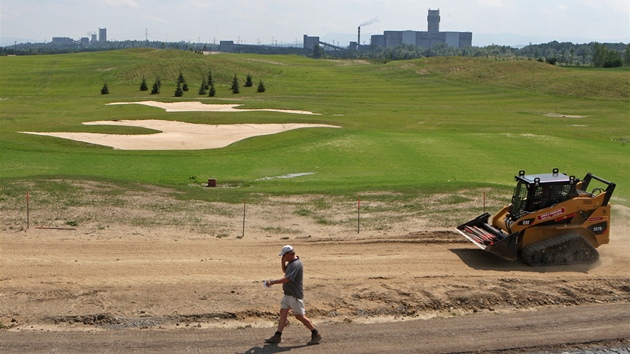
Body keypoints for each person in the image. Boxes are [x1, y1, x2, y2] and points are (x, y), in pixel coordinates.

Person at [264, 245, 321, 345]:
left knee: (299, 316)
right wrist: (283, 261)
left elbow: (287, 278)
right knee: (283, 312)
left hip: (294, 296)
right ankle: (277, 335)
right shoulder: (291, 263)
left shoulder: (296, 265)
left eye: (284, 256)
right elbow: (285, 271)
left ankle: (315, 333)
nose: (283, 257)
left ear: (291, 254)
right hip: (288, 295)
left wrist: (273, 282)